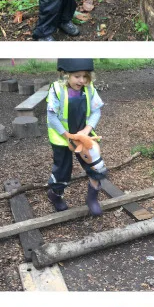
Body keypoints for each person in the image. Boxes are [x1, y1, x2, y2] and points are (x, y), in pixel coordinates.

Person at [46, 58, 108, 215]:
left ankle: (92, 198)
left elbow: (96, 111)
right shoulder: (57, 89)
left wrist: (87, 130)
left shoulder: (89, 88)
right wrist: (67, 136)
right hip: (62, 137)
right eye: (77, 76)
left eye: (85, 76)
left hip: (83, 134)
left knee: (95, 164)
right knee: (63, 169)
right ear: (66, 75)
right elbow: (52, 117)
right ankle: (55, 195)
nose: (82, 80)